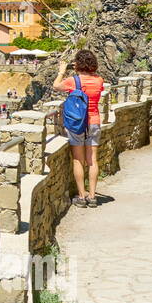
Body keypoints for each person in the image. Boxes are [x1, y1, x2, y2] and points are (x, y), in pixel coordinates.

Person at [58, 49, 106, 208]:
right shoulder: (99, 80)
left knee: (78, 160)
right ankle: (92, 197)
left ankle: (81, 196)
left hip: (77, 123)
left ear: (78, 63)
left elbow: (56, 86)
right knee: (92, 160)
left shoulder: (73, 80)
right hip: (94, 122)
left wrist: (61, 71)